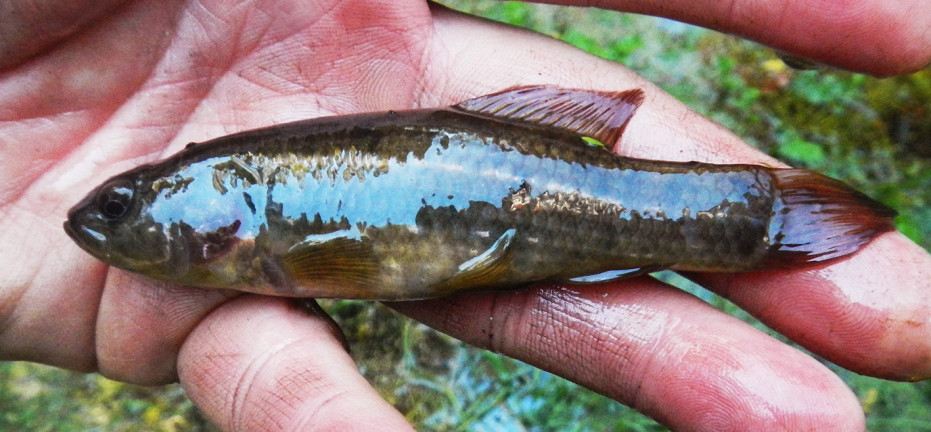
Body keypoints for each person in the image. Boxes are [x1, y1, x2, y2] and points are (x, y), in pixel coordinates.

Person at [1, 0, 929, 430]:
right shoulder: (237, 213)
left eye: (128, 206)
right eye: (123, 205)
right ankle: (755, 220)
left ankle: (750, 218)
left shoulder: (251, 218)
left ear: (209, 206)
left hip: (517, 178)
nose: (108, 220)